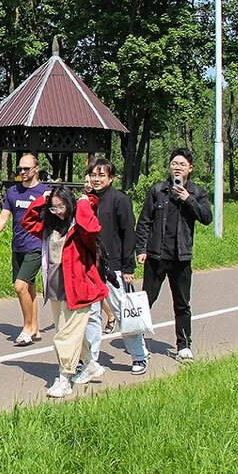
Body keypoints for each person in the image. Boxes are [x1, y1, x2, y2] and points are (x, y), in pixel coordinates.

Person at [19, 184, 108, 398]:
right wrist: (43, 200)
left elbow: (92, 227)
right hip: (56, 288)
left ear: (70, 204)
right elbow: (28, 221)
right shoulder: (49, 227)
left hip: (79, 289)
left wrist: (82, 203)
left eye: (62, 207)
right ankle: (90, 364)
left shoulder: (79, 228)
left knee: (65, 336)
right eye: (54, 208)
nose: (58, 212)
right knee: (68, 331)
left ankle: (64, 377)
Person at [134, 148, 213, 362]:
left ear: (190, 169)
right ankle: (138, 341)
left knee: (182, 303)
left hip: (181, 257)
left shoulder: (197, 192)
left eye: (182, 164)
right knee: (146, 301)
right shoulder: (158, 190)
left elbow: (207, 218)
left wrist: (187, 199)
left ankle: (184, 345)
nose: (177, 167)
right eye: (174, 163)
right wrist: (140, 249)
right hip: (156, 256)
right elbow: (144, 222)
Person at [77, 158, 149, 382]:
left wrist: (128, 266)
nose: (96, 179)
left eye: (101, 175)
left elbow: (129, 234)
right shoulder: (86, 202)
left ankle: (139, 355)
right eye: (93, 175)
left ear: (111, 178)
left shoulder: (120, 200)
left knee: (124, 313)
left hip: (116, 268)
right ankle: (91, 361)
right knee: (92, 316)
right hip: (90, 268)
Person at [0, 153, 50, 345]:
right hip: (18, 246)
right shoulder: (13, 192)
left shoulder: (45, 192)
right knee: (28, 287)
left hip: (36, 246)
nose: (22, 172)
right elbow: (3, 217)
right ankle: (36, 328)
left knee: (19, 286)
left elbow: (60, 215)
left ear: (36, 169)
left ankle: (27, 328)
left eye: (26, 169)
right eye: (20, 169)